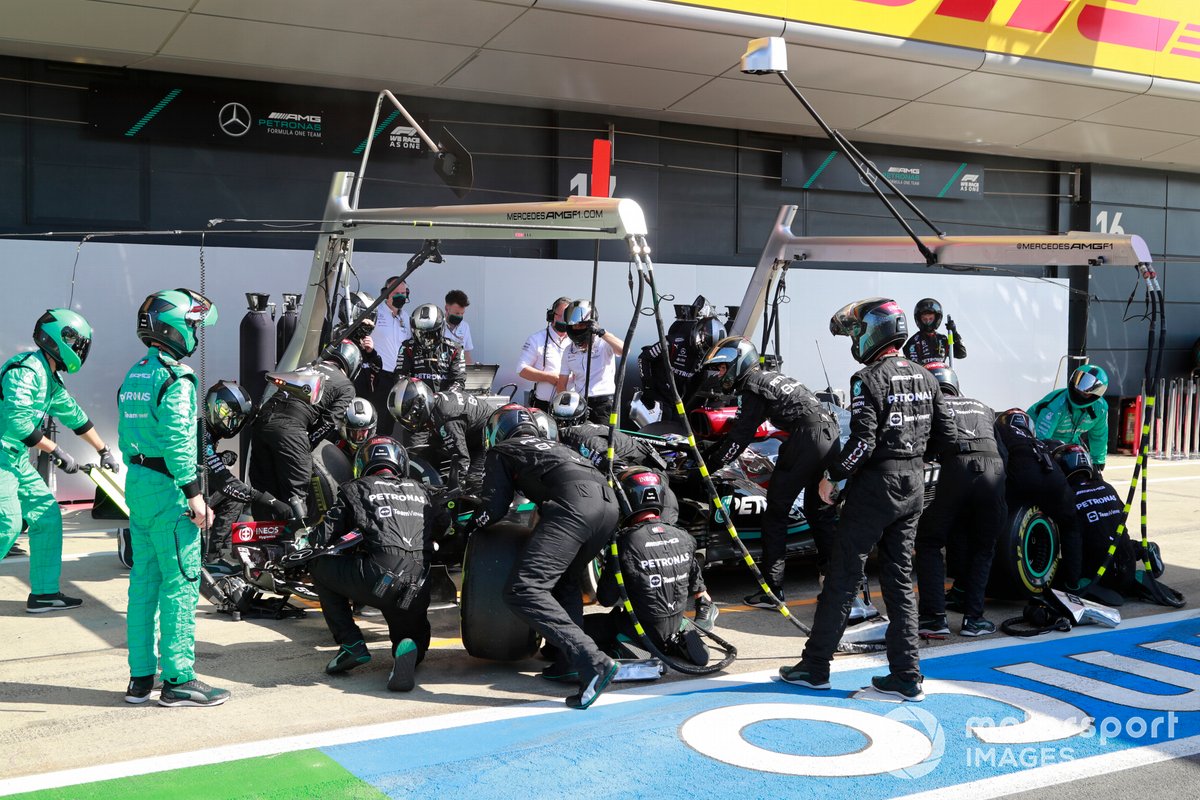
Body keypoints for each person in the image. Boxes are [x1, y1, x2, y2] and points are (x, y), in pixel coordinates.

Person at [781, 298, 954, 702]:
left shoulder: (867, 379)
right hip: (913, 486)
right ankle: (907, 675)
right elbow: (943, 439)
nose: (855, 339)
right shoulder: (928, 378)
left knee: (843, 577)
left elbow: (863, 441)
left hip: (875, 487)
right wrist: (910, 459)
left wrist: (833, 477)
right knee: (898, 582)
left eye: (858, 332)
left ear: (873, 332)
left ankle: (815, 667)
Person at [459, 405, 619, 709]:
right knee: (565, 582)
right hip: (607, 507)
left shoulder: (504, 449)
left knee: (525, 589)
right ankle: (568, 661)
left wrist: (468, 525)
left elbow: (495, 508)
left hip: (574, 506)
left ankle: (593, 661)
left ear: (495, 433)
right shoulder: (558, 447)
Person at [117, 288, 230, 707]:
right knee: (180, 585)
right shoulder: (175, 378)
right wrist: (195, 495)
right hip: (169, 492)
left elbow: (129, 434)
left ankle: (140, 678)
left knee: (143, 585)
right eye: (194, 325)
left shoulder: (135, 374)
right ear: (175, 326)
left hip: (139, 487)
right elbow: (180, 442)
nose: (196, 333)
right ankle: (180, 679)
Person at [700, 337, 840, 609]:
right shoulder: (771, 377)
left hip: (807, 437)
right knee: (819, 513)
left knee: (775, 513)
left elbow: (741, 436)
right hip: (828, 435)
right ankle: (836, 583)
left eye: (721, 368)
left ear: (738, 364)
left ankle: (772, 591)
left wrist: (708, 465)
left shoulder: (751, 386)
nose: (719, 374)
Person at [1, 309, 119, 611]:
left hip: (14, 458)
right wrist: (56, 451)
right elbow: (18, 423)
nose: (80, 351)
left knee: (46, 515)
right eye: (76, 343)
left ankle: (43, 593)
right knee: (8, 522)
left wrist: (103, 449)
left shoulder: (48, 376)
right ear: (58, 339)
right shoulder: (25, 370)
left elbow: (76, 417)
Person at [307, 436, 434, 692]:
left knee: (319, 564)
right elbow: (444, 527)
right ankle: (407, 649)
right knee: (413, 637)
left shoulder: (355, 488)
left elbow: (322, 537)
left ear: (364, 463)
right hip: (418, 583)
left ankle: (351, 643)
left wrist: (305, 541)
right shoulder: (423, 491)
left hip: (379, 578)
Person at [584, 467, 715, 668]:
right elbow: (699, 588)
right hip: (674, 621)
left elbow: (606, 598)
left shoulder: (623, 543)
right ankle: (675, 639)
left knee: (570, 634)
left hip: (640, 627)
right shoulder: (685, 537)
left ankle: (630, 648)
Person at [913, 363, 1005, 639]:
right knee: (983, 546)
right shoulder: (982, 405)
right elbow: (1002, 448)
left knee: (929, 541)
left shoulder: (933, 406)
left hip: (957, 468)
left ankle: (933, 619)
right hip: (995, 470)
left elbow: (922, 450)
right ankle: (973, 620)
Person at [249, 340, 359, 526]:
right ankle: (297, 544)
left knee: (265, 493)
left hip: (261, 423)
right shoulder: (346, 385)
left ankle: (263, 542)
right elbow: (330, 422)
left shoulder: (305, 368)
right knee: (296, 494)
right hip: (291, 427)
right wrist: (308, 443)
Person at [993, 408, 1083, 591]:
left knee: (990, 523)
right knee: (1071, 527)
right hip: (1053, 479)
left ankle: (977, 582)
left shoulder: (1000, 434)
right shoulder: (1037, 441)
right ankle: (1072, 584)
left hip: (1021, 476)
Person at [202, 380, 294, 558]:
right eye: (230, 416)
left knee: (232, 498)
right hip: (175, 502)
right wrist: (269, 500)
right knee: (232, 494)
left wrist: (221, 457)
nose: (234, 423)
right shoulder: (201, 435)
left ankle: (220, 553)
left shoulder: (205, 432)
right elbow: (224, 482)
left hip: (184, 494)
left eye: (238, 419)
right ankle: (210, 556)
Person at [389, 378, 491, 493]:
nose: (410, 421)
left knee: (471, 480)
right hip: (469, 430)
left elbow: (462, 459)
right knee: (433, 453)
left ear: (420, 404)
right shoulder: (435, 405)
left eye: (410, 416)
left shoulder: (445, 418)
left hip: (484, 434)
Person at [637, 296, 726, 423]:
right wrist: (648, 387)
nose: (703, 351)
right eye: (704, 346)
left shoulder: (706, 358)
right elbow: (643, 358)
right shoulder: (672, 343)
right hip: (658, 397)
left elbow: (701, 380)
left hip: (679, 401)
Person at [1028, 363, 1109, 471]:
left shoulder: (1100, 408)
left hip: (1070, 442)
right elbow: (1041, 439)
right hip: (1034, 439)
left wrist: (1097, 461)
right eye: (1078, 385)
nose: (1080, 390)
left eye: (1086, 390)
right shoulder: (1056, 406)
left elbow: (1099, 436)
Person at [556, 300, 625, 423]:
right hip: (579, 403)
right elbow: (561, 383)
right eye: (575, 326)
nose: (577, 328)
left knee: (604, 440)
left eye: (581, 325)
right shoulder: (568, 350)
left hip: (604, 403)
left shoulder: (604, 343)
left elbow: (624, 351)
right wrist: (564, 406)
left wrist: (602, 333)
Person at [371, 277, 411, 436]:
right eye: (396, 293)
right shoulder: (375, 312)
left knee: (393, 422)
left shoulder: (406, 317)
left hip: (400, 377)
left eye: (403, 293)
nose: (400, 296)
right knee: (378, 418)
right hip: (380, 375)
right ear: (386, 293)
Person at [517, 296, 572, 411]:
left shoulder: (577, 341)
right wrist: (548, 377)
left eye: (566, 316)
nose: (563, 320)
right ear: (551, 316)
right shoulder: (536, 339)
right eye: (560, 315)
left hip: (571, 406)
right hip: (543, 406)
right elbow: (521, 369)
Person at [401, 303, 466, 394]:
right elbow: (400, 377)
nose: (426, 339)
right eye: (421, 334)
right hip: (417, 400)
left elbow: (458, 381)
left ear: (441, 328)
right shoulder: (408, 347)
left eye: (431, 334)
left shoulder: (454, 348)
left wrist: (443, 398)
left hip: (444, 402)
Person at [903, 298, 965, 366]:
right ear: (919, 319)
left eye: (930, 319)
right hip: (924, 376)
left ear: (936, 319)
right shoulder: (913, 342)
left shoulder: (943, 339)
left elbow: (961, 353)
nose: (928, 322)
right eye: (925, 319)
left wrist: (954, 333)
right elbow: (914, 367)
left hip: (942, 376)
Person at [443, 289, 474, 365]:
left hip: (458, 371)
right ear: (447, 308)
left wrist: (471, 374)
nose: (460, 316)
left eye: (462, 313)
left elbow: (467, 354)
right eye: (457, 313)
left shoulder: (465, 326)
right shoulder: (436, 325)